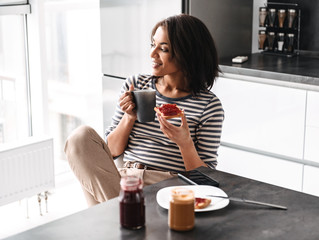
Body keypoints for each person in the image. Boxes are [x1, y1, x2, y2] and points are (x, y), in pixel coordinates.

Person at [64, 14, 224, 206]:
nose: (152, 54)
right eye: (152, 44)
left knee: (105, 211)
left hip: (168, 188)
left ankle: (118, 218)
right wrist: (129, 117)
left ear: (187, 53)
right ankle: (124, 215)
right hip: (121, 182)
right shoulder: (135, 84)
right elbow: (113, 151)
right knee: (80, 137)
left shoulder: (209, 105)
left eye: (163, 49)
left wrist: (185, 143)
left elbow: (205, 178)